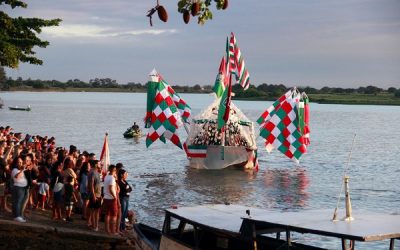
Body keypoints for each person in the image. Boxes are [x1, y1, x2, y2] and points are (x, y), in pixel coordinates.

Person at [11, 156, 28, 222]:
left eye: (21, 162)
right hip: (18, 187)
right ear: (16, 163)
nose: (20, 163)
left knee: (19, 202)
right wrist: (22, 170)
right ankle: (17, 216)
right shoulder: (14, 170)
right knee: (18, 202)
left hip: (22, 188)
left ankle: (17, 215)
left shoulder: (20, 169)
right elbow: (16, 177)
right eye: (18, 162)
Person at [103, 164, 118, 235]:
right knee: (114, 215)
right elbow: (111, 188)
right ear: (114, 170)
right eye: (115, 170)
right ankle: (113, 231)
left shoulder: (106, 176)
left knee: (107, 215)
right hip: (111, 198)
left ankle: (107, 230)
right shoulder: (112, 178)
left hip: (106, 197)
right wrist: (114, 196)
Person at [87, 160, 101, 231]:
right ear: (95, 164)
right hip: (94, 194)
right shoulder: (92, 172)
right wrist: (93, 195)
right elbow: (91, 185)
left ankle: (95, 225)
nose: (100, 164)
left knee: (96, 210)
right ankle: (94, 225)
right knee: (94, 211)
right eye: (99, 163)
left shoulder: (97, 172)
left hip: (98, 194)